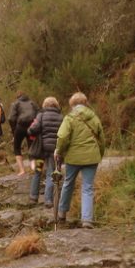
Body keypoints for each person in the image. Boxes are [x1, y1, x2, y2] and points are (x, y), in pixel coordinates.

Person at [54, 92, 105, 229]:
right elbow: (101, 138)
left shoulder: (70, 117)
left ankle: (62, 214)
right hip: (91, 157)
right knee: (87, 187)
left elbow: (63, 136)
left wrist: (59, 151)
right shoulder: (94, 117)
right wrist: (99, 154)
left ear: (72, 104)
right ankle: (87, 220)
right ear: (85, 102)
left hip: (73, 158)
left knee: (68, 183)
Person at [27, 97, 63, 207]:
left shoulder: (41, 115)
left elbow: (32, 129)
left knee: (38, 171)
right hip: (54, 150)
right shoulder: (61, 117)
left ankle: (33, 197)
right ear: (56, 105)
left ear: (45, 105)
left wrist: (30, 130)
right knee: (50, 173)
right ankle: (48, 200)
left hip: (40, 150)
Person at [8, 91, 39, 175]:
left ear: (17, 96)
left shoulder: (15, 103)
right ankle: (33, 168)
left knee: (17, 147)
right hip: (32, 127)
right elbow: (39, 115)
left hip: (20, 127)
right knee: (32, 147)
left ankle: (22, 170)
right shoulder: (33, 103)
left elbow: (11, 118)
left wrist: (14, 130)